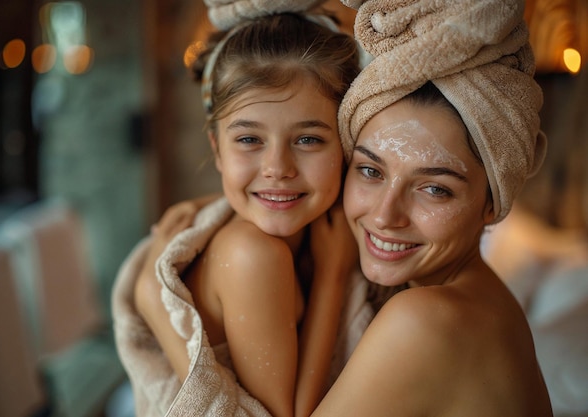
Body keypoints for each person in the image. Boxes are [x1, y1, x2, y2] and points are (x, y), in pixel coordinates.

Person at [112, 6, 373, 417]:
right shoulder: (253, 254)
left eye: (307, 140)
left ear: (346, 145)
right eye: (250, 139)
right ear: (217, 150)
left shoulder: (318, 230)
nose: (278, 169)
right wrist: (332, 277)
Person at [307, 0, 553, 415]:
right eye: (370, 171)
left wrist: (155, 297)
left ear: (492, 203)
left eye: (435, 190)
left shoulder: (426, 320)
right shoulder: (477, 298)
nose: (385, 215)